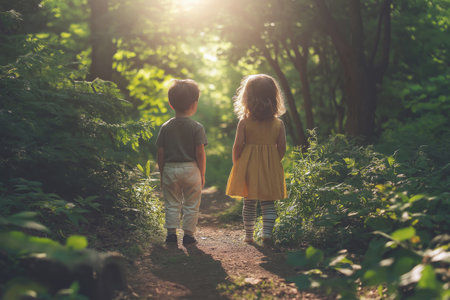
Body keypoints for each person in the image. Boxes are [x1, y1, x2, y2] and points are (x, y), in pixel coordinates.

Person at [226, 74, 287, 245]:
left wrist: (237, 163)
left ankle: (249, 236)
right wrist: (274, 161)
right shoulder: (278, 124)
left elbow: (237, 146)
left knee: (249, 202)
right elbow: (282, 148)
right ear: (274, 97)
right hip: (270, 167)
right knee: (268, 203)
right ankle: (267, 234)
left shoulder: (244, 122)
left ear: (247, 98)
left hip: (248, 165)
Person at [156, 79, 207, 245]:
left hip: (170, 168)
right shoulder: (197, 127)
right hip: (191, 169)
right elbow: (200, 152)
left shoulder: (165, 127)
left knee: (171, 203)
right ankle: (188, 235)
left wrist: (162, 172)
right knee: (191, 204)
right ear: (194, 104)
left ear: (171, 104)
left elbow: (161, 153)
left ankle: (171, 234)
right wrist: (202, 173)